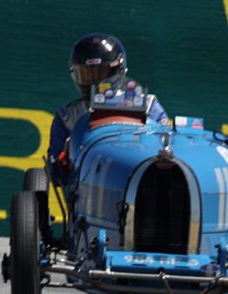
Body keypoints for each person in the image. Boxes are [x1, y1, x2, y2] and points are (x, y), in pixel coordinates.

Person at [47, 33, 169, 185]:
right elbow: (56, 172)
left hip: (138, 184)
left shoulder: (149, 106)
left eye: (99, 73)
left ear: (117, 71)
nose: (94, 82)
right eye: (87, 74)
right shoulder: (67, 117)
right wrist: (65, 159)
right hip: (88, 188)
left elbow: (168, 150)